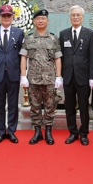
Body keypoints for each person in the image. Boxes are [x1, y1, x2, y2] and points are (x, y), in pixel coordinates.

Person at [20, 9, 62, 145]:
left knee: (50, 106)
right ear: (34, 21)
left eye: (43, 19)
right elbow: (23, 57)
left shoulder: (54, 38)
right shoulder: (28, 38)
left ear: (47, 21)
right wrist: (23, 76)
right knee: (35, 106)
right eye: (38, 19)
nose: (41, 21)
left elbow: (57, 58)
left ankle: (48, 132)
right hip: (33, 78)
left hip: (50, 78)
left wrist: (59, 77)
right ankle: (37, 132)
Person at [60, 5, 93, 145]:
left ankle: (83, 133)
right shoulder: (63, 34)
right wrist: (60, 76)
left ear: (82, 17)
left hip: (83, 77)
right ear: (70, 17)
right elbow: (62, 56)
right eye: (73, 15)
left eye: (78, 15)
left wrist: (92, 77)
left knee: (83, 107)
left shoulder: (90, 34)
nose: (75, 17)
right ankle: (73, 132)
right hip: (68, 76)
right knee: (69, 107)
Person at [0, 5, 24, 144]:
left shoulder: (19, 32)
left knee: (13, 105)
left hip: (13, 74)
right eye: (4, 16)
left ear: (12, 17)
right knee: (0, 105)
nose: (6, 18)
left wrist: (22, 73)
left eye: (9, 16)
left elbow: (22, 54)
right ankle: (1, 132)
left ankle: (12, 131)